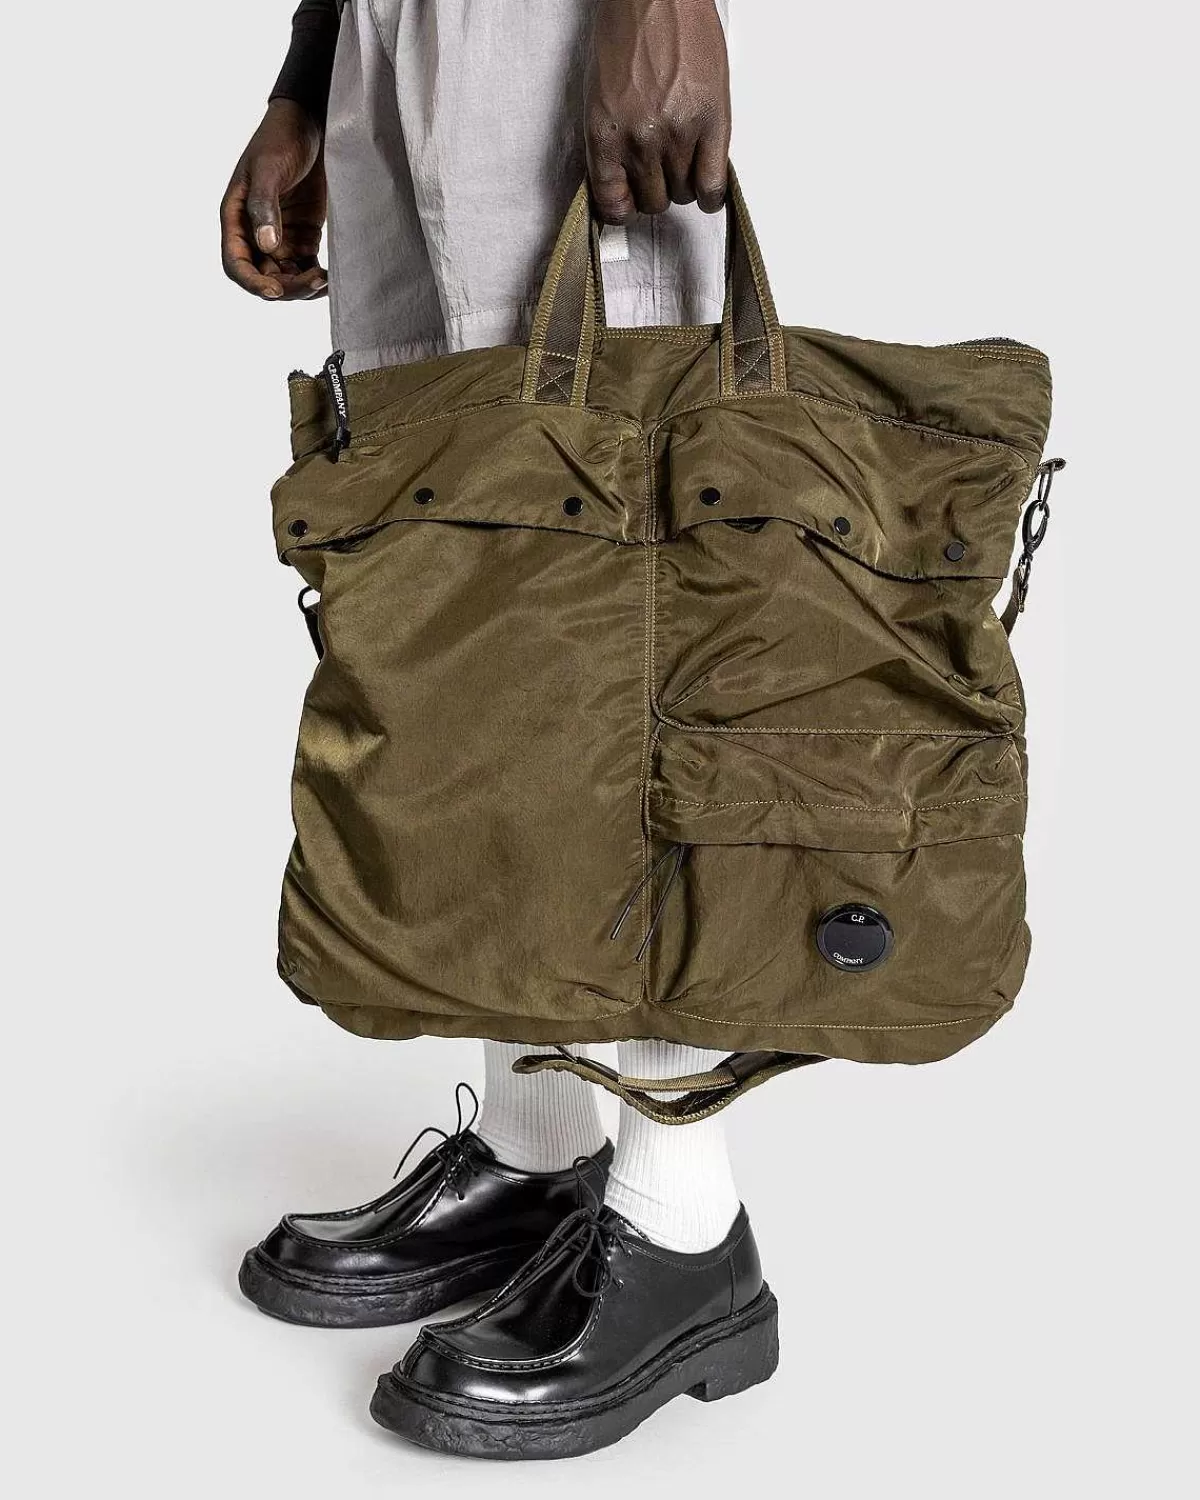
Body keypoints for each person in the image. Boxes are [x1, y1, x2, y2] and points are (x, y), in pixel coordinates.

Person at [221, 0, 771, 1460]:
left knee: (629, 579)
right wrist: (309, 73)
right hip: (385, 38)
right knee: (465, 590)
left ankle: (685, 1219)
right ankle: (541, 1163)